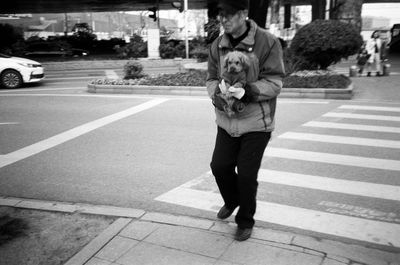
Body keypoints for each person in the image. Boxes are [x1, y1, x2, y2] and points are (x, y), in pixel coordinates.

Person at [206, 0, 285, 241]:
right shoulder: (217, 45)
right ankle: (232, 200)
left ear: (243, 14)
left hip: (256, 123)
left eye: (229, 14)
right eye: (221, 14)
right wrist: (216, 95)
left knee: (248, 176)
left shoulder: (267, 42)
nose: (224, 19)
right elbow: (210, 78)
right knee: (219, 167)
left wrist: (247, 91)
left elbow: (275, 82)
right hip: (226, 120)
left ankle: (245, 221)